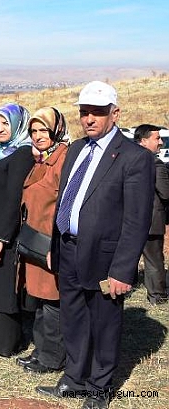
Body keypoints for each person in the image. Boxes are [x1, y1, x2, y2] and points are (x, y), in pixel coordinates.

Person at [36, 81, 154, 409]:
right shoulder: (76, 149)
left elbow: (136, 220)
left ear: (115, 114)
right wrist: (56, 245)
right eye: (84, 112)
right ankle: (74, 379)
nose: (89, 119)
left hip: (105, 257)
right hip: (69, 249)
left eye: (98, 112)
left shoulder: (134, 157)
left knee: (104, 324)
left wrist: (122, 270)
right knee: (73, 318)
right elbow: (66, 201)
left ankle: (100, 389)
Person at [0, 103, 34, 357]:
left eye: (5, 123)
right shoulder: (2, 152)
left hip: (6, 231)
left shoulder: (22, 154)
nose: (0, 129)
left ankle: (7, 342)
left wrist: (1, 238)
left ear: (18, 125)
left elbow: (14, 199)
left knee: (5, 286)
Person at [16, 107, 69, 374]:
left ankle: (52, 358)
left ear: (56, 130)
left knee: (52, 304)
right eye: (33, 131)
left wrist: (56, 244)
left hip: (49, 242)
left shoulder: (63, 159)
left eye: (43, 130)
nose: (38, 136)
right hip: (34, 243)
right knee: (39, 300)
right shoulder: (42, 159)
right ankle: (41, 350)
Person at [134, 124, 169, 305]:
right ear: (144, 141)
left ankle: (127, 287)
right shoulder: (155, 164)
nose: (161, 142)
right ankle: (158, 296)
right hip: (151, 221)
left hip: (129, 220)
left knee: (128, 256)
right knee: (154, 260)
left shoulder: (127, 161)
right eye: (157, 138)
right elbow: (166, 193)